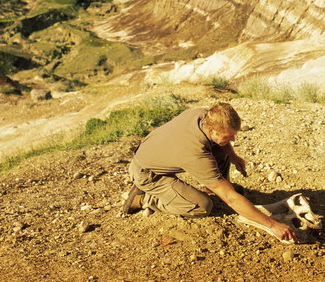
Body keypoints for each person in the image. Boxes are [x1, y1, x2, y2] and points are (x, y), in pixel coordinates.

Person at [123, 102, 296, 242]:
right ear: (212, 130)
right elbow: (231, 198)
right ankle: (146, 199)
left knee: (221, 149)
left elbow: (220, 140)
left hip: (157, 153)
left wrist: (233, 156)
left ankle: (212, 188)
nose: (233, 139)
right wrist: (272, 225)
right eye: (228, 136)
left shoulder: (204, 115)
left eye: (233, 135)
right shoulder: (196, 154)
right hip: (147, 174)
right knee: (203, 206)